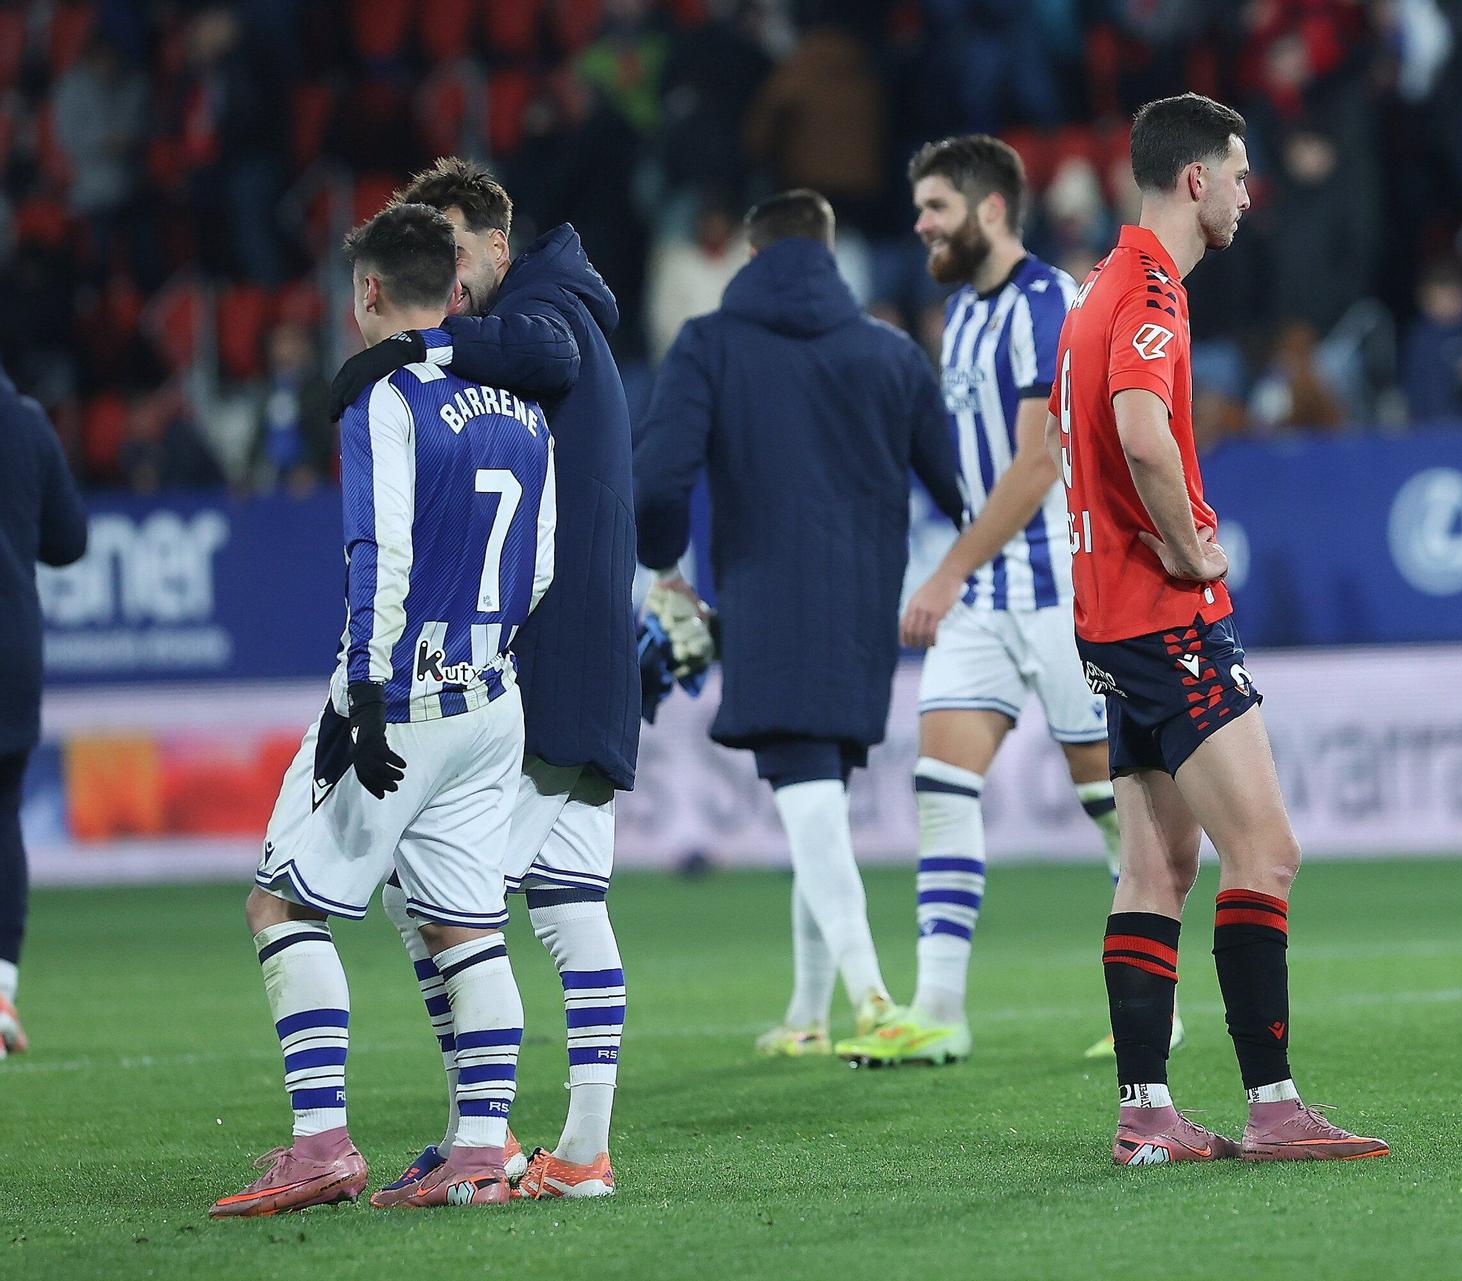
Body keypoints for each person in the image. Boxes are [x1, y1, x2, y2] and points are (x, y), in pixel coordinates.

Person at [1050, 93, 1391, 1166]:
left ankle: (1146, 1115)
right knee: (1266, 853)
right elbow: (1141, 437)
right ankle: (1273, 1103)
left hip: (1107, 626)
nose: (1249, 190)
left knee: (1157, 865)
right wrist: (1192, 551)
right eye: (1238, 172)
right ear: (1194, 180)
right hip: (1164, 620)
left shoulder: (1097, 290)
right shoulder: (1149, 289)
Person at [210, 203, 556, 1216]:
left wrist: (366, 696)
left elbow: (379, 553)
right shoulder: (524, 406)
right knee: (468, 929)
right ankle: (482, 1150)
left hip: (398, 696)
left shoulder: (386, 397)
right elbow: (538, 567)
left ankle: (319, 1143)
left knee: (282, 903)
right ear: (455, 288)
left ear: (365, 291)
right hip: (491, 697)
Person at [330, 158, 644, 1201]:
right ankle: (583, 1151)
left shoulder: (550, 309)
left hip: (547, 668)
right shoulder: (564, 309)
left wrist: (411, 342)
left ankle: (484, 1135)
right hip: (587, 660)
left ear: (499, 246)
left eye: (457, 260)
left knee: (433, 902)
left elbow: (538, 349)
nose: (450, 287)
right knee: (567, 902)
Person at [832, 135, 1177, 1069]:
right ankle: (940, 1009)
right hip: (988, 593)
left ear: (988, 211)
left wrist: (943, 570)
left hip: (1062, 587)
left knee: (1117, 805)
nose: (921, 226)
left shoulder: (1042, 304)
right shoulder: (962, 312)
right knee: (942, 785)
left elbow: (1039, 463)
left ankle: (1161, 1004)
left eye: (935, 207)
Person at [633, 189, 962, 1057]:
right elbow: (965, 487)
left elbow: (658, 481)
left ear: (750, 258)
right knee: (816, 800)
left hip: (767, 605)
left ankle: (873, 1000)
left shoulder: (710, 343)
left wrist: (666, 572)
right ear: (829, 256)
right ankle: (808, 1012)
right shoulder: (891, 354)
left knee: (810, 802)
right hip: (864, 610)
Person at [0, 362, 88, 1060]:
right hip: (14, 647)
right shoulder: (27, 421)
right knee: (3, 813)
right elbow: (70, 540)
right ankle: (0, 987)